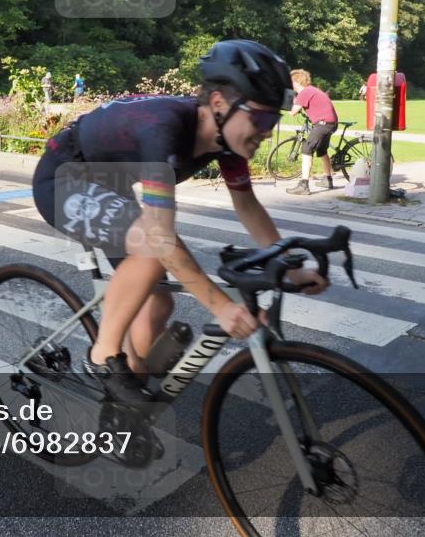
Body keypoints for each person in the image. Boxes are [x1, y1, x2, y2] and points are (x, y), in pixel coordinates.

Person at [32, 40, 327, 405]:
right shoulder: (164, 129)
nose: (268, 131)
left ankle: (122, 402)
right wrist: (221, 307)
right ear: (218, 103)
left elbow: (247, 205)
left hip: (110, 186)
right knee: (153, 249)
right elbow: (159, 236)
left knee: (158, 304)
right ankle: (103, 355)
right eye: (262, 119)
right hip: (63, 179)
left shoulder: (225, 140)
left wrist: (288, 266)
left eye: (274, 120)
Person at [285, 69, 339, 195]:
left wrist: (282, 102)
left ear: (296, 82)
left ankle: (304, 185)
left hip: (322, 124)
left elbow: (292, 112)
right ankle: (328, 180)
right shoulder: (311, 90)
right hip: (330, 123)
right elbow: (298, 104)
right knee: (322, 150)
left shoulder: (305, 92)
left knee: (307, 148)